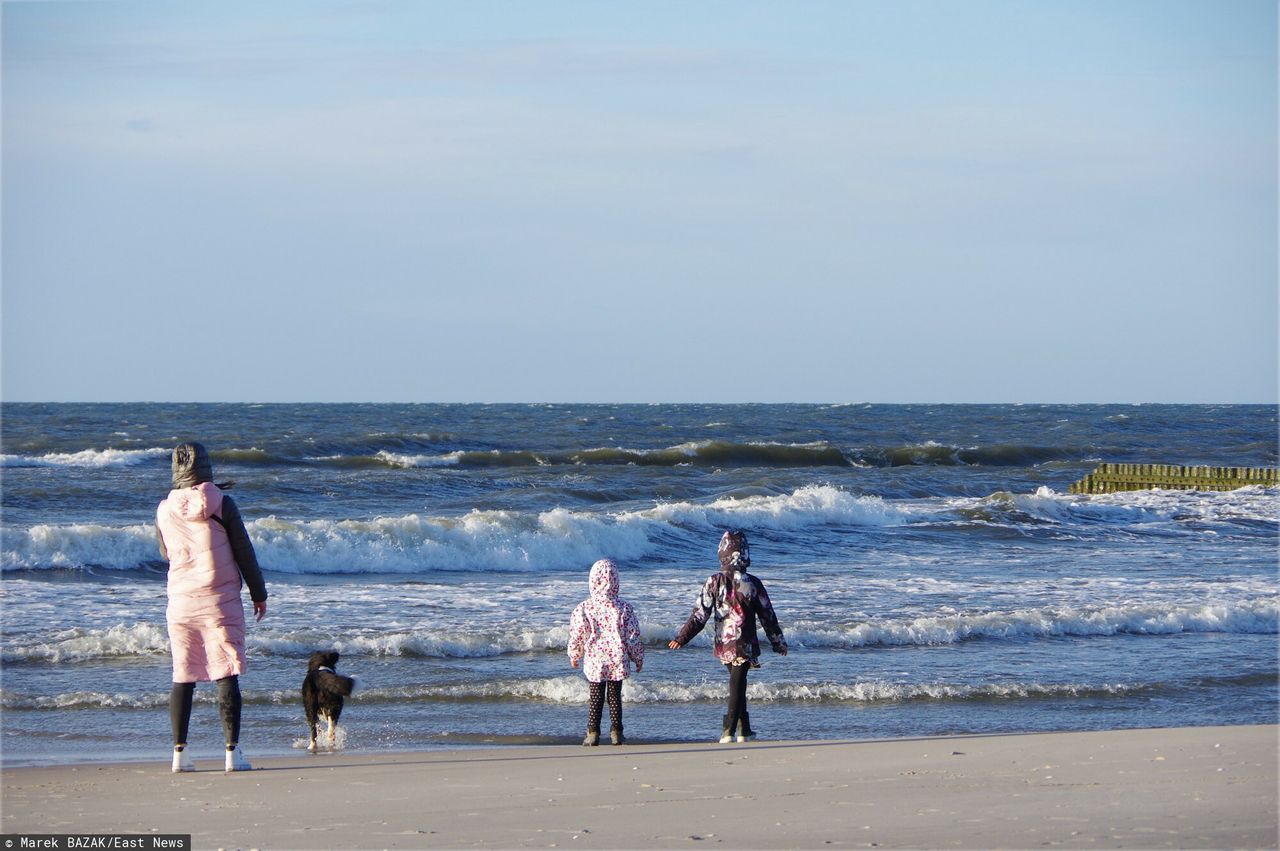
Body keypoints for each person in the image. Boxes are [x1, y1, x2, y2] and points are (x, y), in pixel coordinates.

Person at [156, 442, 267, 773]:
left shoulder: (164, 509)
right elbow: (244, 551)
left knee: (183, 673)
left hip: (181, 602)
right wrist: (258, 593)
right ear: (206, 468)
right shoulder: (222, 504)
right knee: (226, 670)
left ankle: (180, 755)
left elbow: (166, 554)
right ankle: (232, 754)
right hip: (220, 600)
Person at [668, 530, 786, 743]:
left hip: (725, 644)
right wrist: (778, 642)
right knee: (738, 684)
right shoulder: (753, 583)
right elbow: (768, 616)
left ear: (722, 553)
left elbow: (699, 616)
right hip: (746, 644)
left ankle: (741, 729)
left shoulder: (714, 581)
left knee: (738, 683)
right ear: (745, 554)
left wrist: (682, 638)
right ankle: (731, 730)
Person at [567, 558, 644, 746]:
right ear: (616, 582)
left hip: (595, 660)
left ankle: (593, 732)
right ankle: (617, 732)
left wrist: (574, 653)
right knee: (614, 696)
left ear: (592, 581)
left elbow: (577, 634)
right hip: (617, 658)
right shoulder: (624, 608)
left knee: (596, 696)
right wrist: (638, 657)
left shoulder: (584, 608)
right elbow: (632, 636)